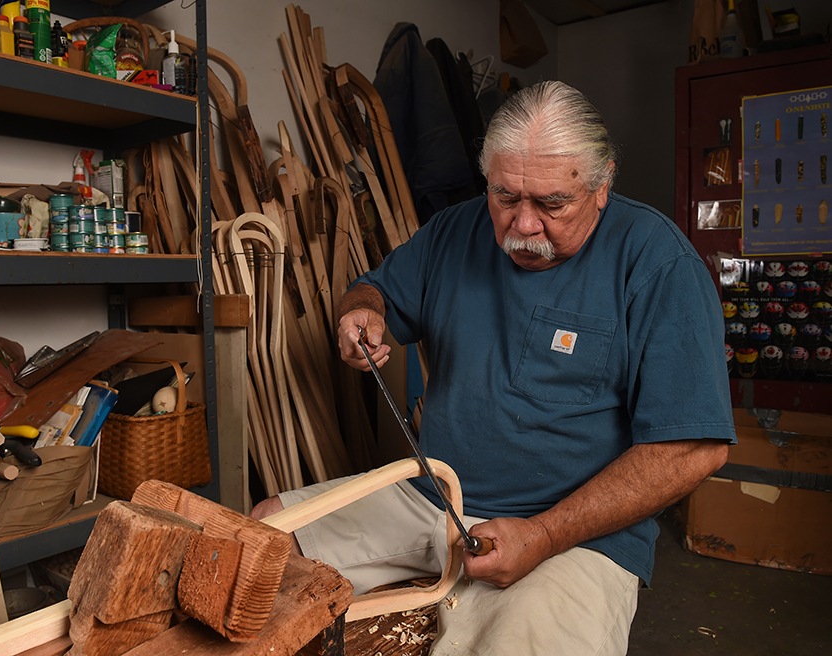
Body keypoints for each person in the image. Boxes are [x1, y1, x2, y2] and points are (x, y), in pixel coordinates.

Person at [252, 80, 735, 655]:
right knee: (262, 536)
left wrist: (546, 533)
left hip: (571, 536)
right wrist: (363, 313)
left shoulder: (657, 264)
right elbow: (376, 292)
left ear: (603, 186)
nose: (524, 225)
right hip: (434, 496)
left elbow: (693, 447)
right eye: (506, 197)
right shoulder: (455, 231)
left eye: (552, 204)